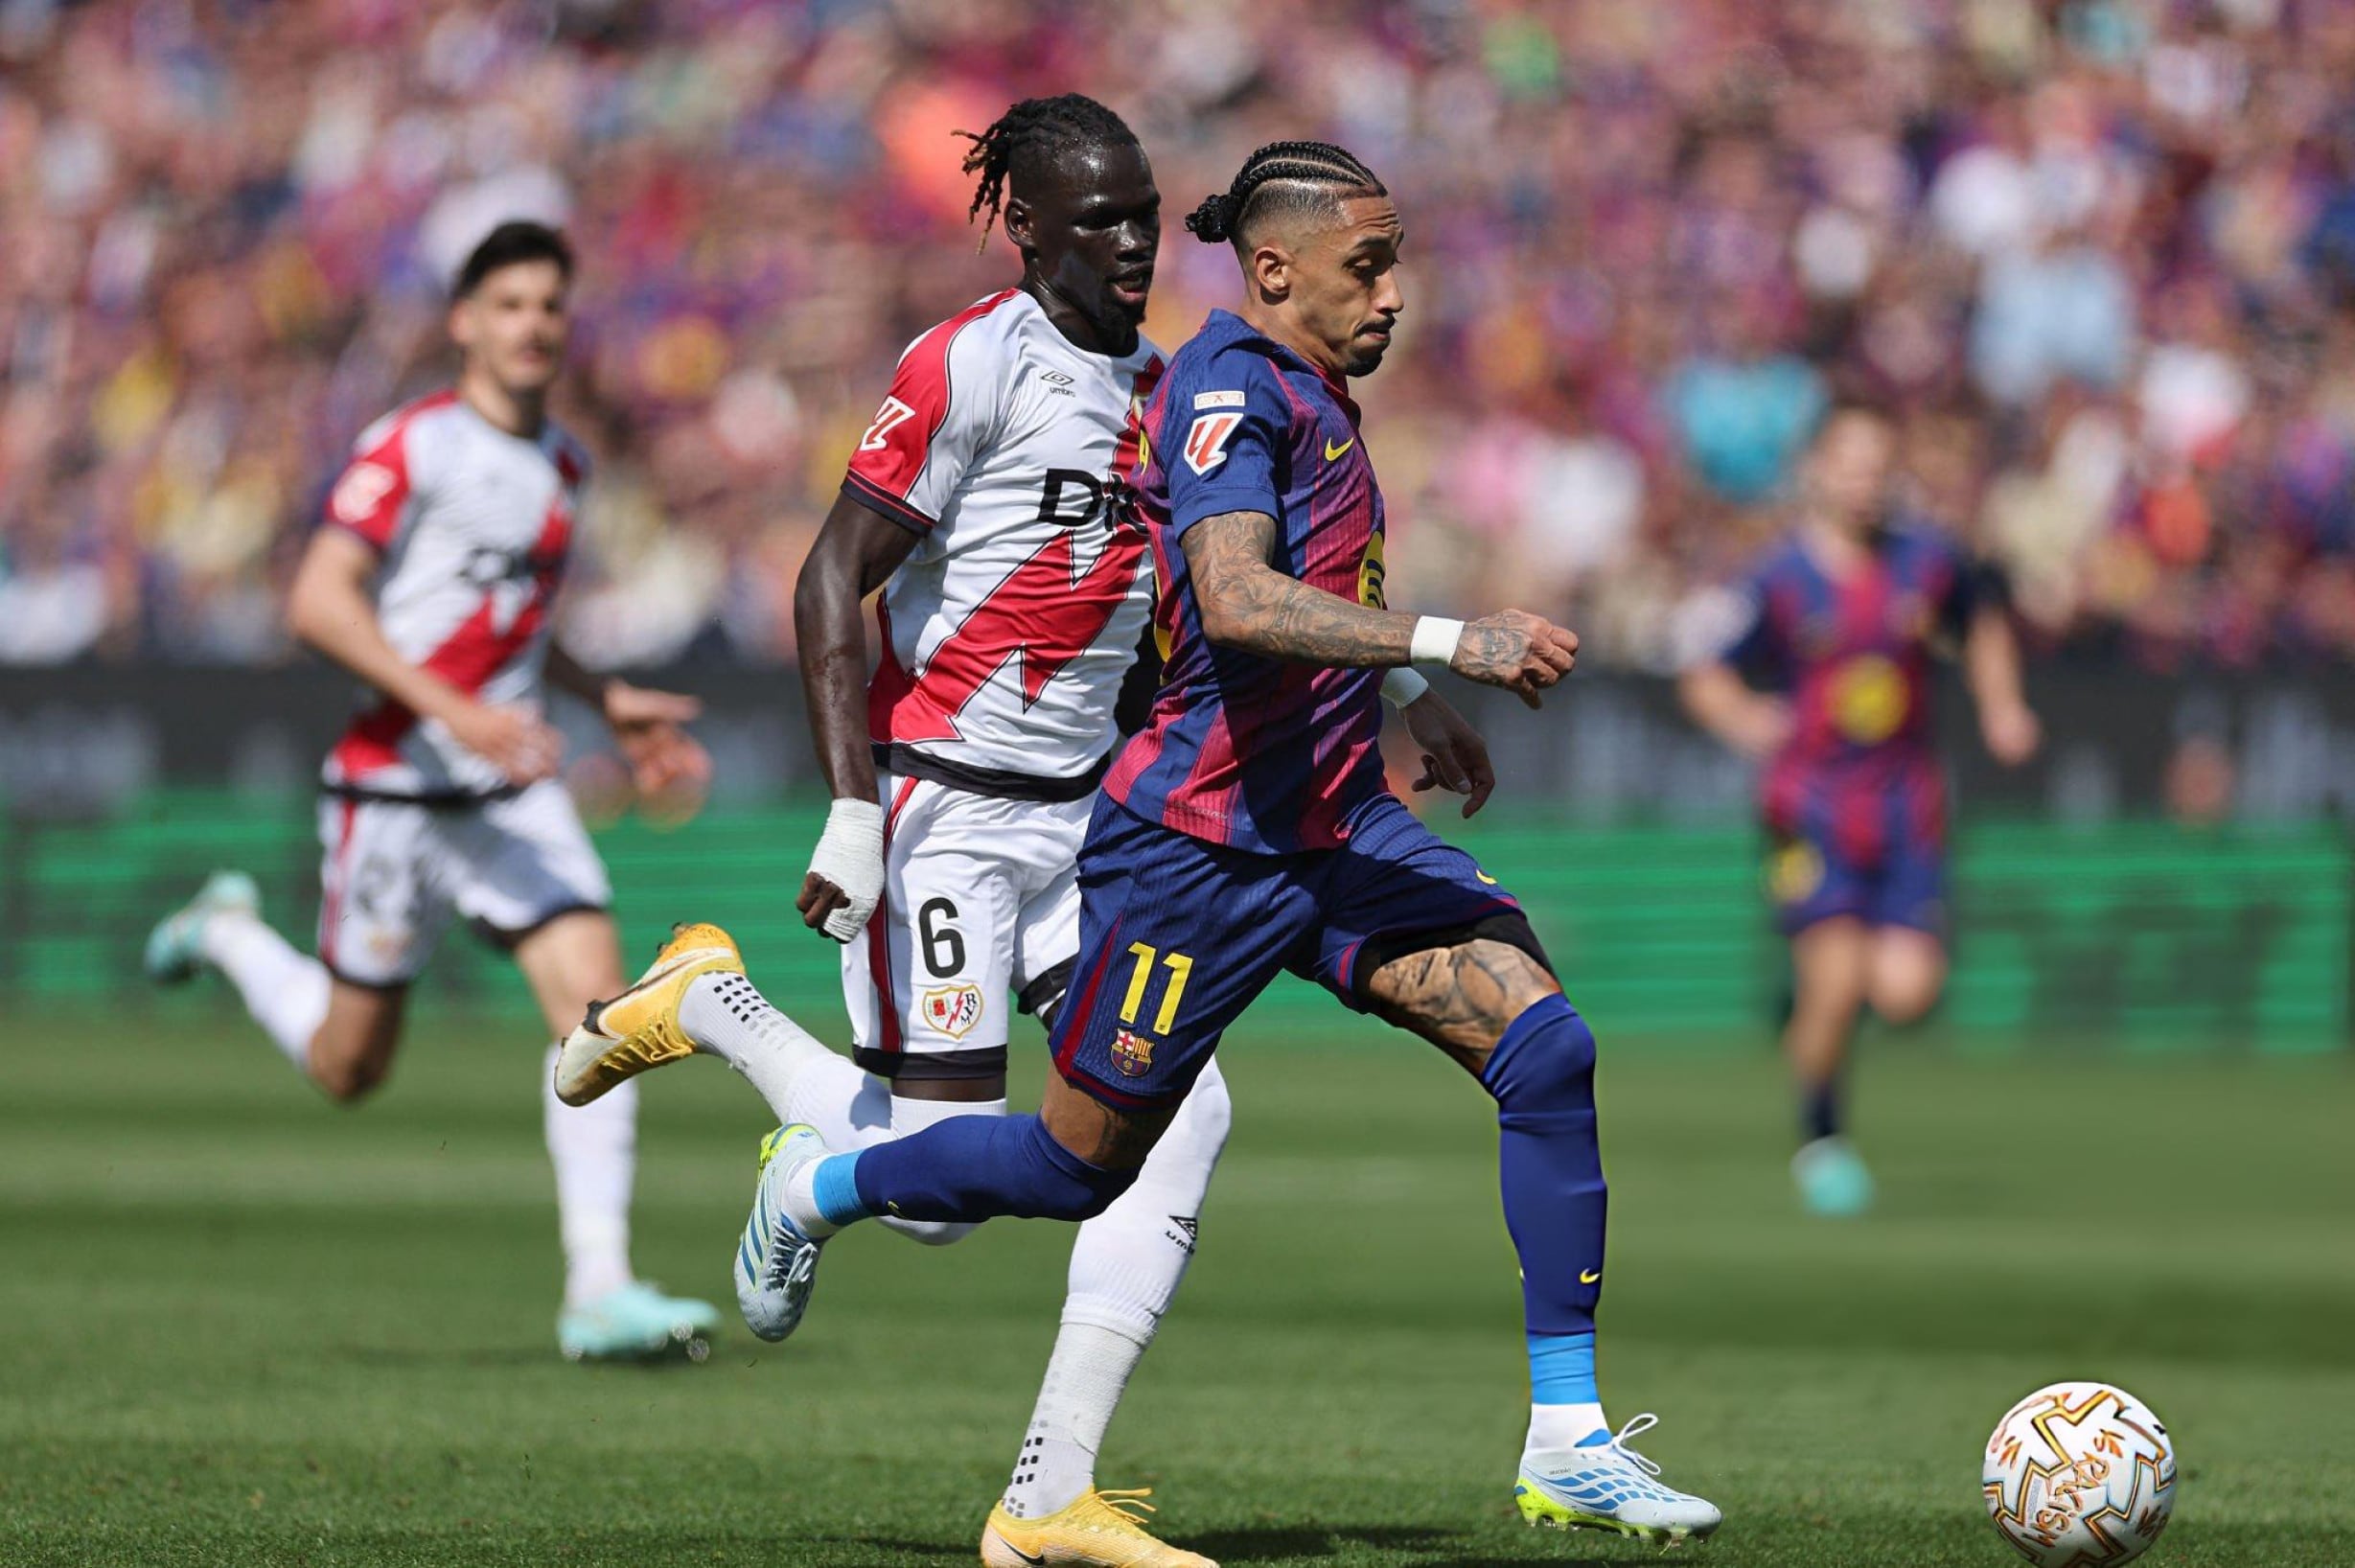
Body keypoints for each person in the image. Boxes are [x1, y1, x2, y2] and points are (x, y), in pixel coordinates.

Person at [568, 139, 1720, 1548]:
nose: (1397, 294)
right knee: (1068, 1169)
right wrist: (1449, 642)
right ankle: (820, 1176)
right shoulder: (1218, 389)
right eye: (1370, 265)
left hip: (1331, 825)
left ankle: (1566, 1438)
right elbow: (1233, 597)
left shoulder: (1267, 387)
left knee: (1544, 1049)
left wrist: (1405, 698)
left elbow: (1276, 573)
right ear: (1280, 266)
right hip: (1197, 850)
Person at [144, 221, 720, 1362]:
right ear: (463, 321)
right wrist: (453, 712)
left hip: (508, 791)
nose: (532, 325)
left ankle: (598, 1287)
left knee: (601, 1006)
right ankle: (227, 931)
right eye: (508, 303)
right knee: (349, 1068)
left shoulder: (565, 464)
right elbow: (316, 601)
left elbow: (518, 629)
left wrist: (605, 700)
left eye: (550, 305)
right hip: (394, 788)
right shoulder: (411, 446)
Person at [1678, 402, 2042, 1216]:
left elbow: (1979, 624)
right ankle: (1821, 1141)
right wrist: (1748, 721)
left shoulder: (1928, 563)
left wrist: (2002, 706)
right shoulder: (1776, 579)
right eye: (1849, 463)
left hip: (1905, 804)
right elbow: (1704, 674)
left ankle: (1804, 1015)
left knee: (1908, 993)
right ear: (1817, 471)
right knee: (1836, 978)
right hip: (1808, 808)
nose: (1864, 481)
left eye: (1877, 466)